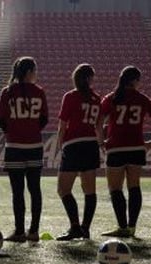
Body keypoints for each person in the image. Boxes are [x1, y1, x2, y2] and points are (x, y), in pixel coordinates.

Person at [97, 66, 151, 237]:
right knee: (134, 186)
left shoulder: (111, 98)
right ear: (135, 81)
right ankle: (132, 227)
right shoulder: (141, 98)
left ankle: (122, 227)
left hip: (116, 148)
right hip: (136, 147)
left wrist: (101, 143)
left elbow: (98, 123)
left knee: (115, 189)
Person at [0, 56, 48, 243]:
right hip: (35, 146)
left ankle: (19, 231)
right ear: (29, 72)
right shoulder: (39, 92)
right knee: (35, 189)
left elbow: (2, 120)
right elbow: (44, 119)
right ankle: (33, 231)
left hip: (14, 147)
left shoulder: (7, 92)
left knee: (17, 191)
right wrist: (31, 131)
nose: (37, 74)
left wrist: (14, 132)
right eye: (35, 70)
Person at [55, 64, 101, 241]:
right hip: (90, 145)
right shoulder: (97, 99)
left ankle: (75, 227)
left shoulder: (71, 96)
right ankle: (85, 228)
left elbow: (62, 125)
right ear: (90, 79)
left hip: (73, 145)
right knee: (89, 190)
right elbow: (98, 125)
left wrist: (61, 146)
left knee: (63, 189)